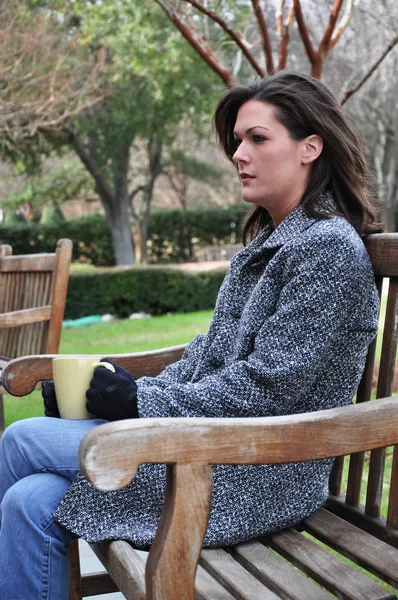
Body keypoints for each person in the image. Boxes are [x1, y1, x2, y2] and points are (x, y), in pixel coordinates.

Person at [0, 71, 382, 600]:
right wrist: (114, 390)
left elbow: (267, 390)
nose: (238, 155)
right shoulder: (272, 243)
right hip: (215, 453)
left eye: (258, 138)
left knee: (21, 439)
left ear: (310, 147)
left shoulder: (327, 250)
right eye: (237, 141)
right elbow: (210, 355)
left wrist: (136, 402)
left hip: (259, 471)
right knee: (29, 500)